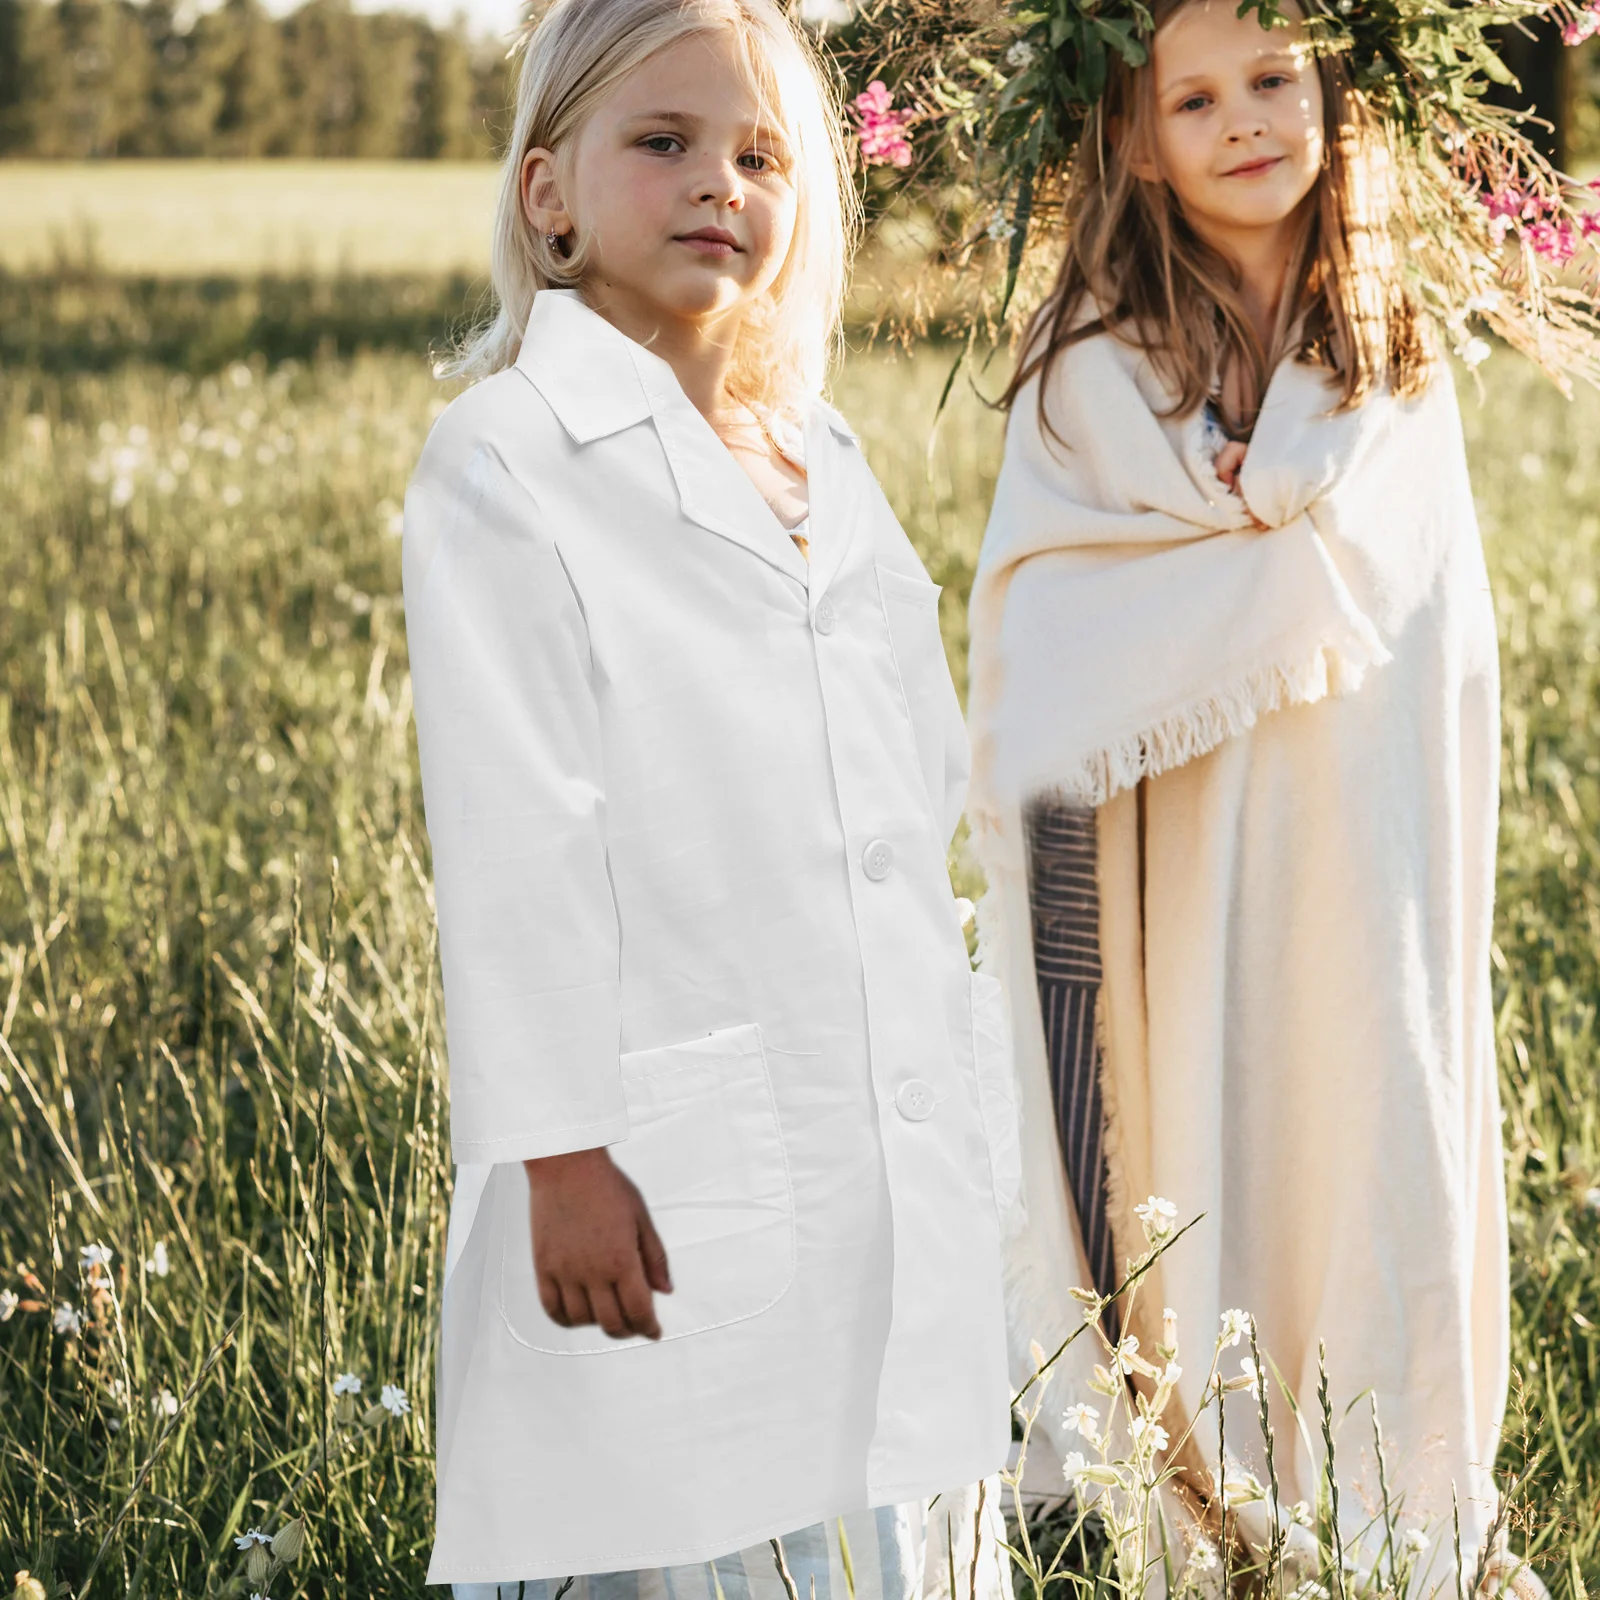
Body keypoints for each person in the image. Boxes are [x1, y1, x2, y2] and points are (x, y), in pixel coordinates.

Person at [402, 0, 1020, 1592]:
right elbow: (517, 830)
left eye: (760, 155)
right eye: (662, 143)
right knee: (682, 1505)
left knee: (881, 1490)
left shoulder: (821, 449)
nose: (716, 186)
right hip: (651, 1140)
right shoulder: (511, 453)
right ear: (550, 193)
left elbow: (908, 751)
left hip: (876, 1085)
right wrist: (557, 1153)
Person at [966, 0, 1510, 1566]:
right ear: (1134, 136)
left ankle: (1388, 1507)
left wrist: (1256, 563)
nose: (1244, 121)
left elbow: (1429, 643)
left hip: (1362, 862)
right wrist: (1217, 587)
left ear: (1336, 91)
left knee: (1361, 1136)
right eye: (1194, 99)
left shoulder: (1394, 360)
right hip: (1175, 873)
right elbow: (1046, 623)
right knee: (1189, 1161)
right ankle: (1200, 1491)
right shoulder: (1090, 377)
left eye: (1273, 79)